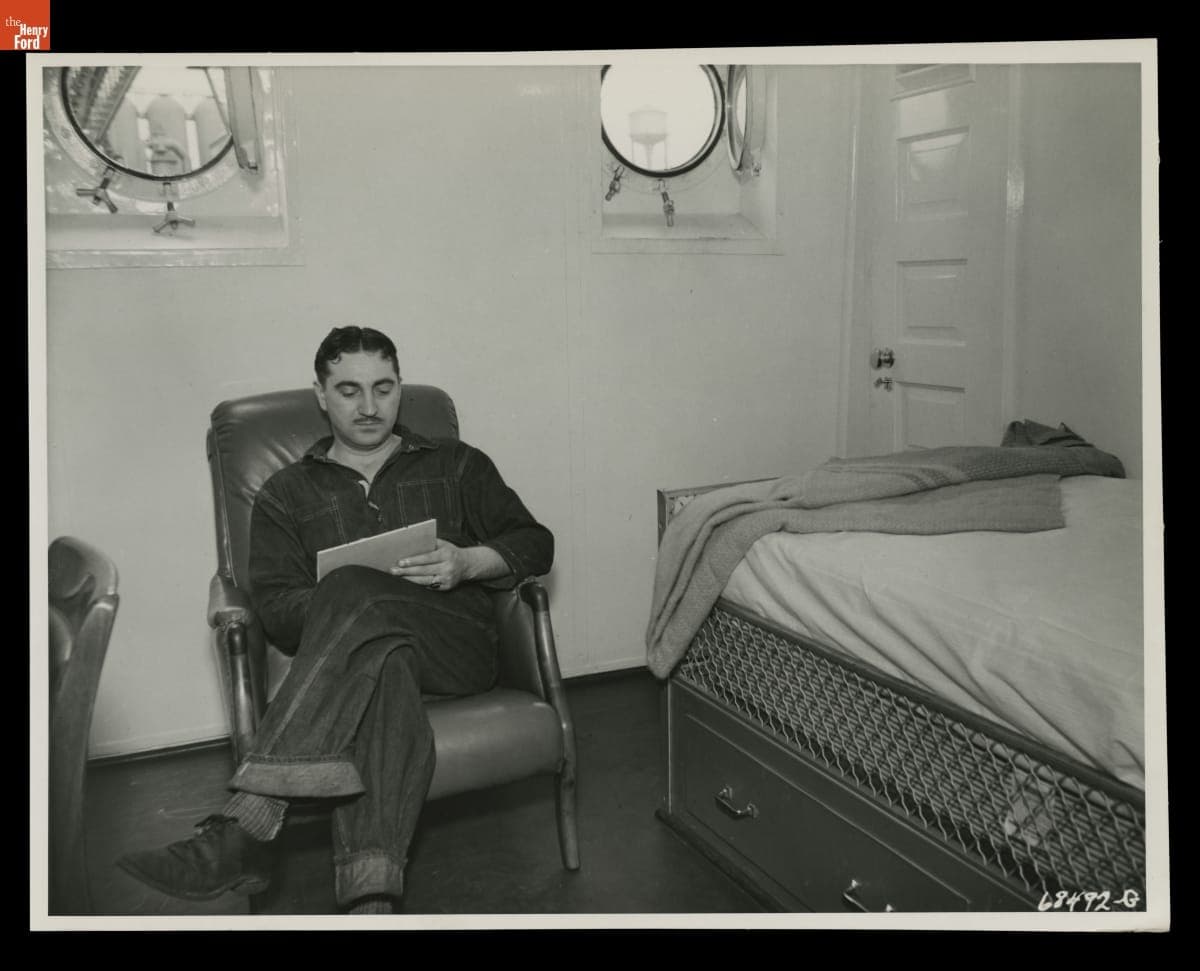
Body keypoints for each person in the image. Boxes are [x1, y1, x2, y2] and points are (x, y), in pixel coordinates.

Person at [118, 326, 554, 914]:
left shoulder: (456, 465)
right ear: (321, 395)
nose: (370, 407)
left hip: (458, 648)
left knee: (354, 594)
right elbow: (275, 610)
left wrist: (468, 561)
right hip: (367, 660)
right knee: (381, 658)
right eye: (349, 390)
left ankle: (248, 822)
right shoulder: (285, 492)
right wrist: (347, 602)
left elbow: (535, 542)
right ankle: (370, 897)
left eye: (384, 388)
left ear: (400, 389)